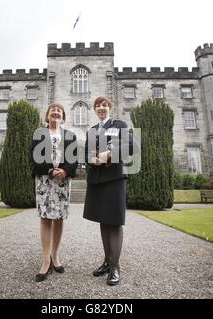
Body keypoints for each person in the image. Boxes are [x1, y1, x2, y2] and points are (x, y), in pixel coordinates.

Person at [83, 96, 136, 286]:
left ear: (110, 107)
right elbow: (87, 154)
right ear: (95, 110)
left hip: (114, 178)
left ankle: (115, 266)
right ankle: (107, 261)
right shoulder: (91, 130)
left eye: (104, 105)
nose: (101, 108)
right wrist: (92, 159)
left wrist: (109, 154)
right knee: (103, 222)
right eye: (98, 106)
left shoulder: (119, 124)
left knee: (114, 222)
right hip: (97, 180)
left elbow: (133, 146)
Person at [31, 103, 78, 282]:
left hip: (63, 182)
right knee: (45, 218)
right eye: (53, 110)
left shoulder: (70, 136)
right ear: (47, 115)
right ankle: (45, 261)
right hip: (44, 180)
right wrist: (50, 170)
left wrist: (65, 171)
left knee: (58, 218)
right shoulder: (39, 134)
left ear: (63, 117)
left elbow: (73, 160)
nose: (56, 112)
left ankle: (55, 256)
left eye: (59, 111)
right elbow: (34, 158)